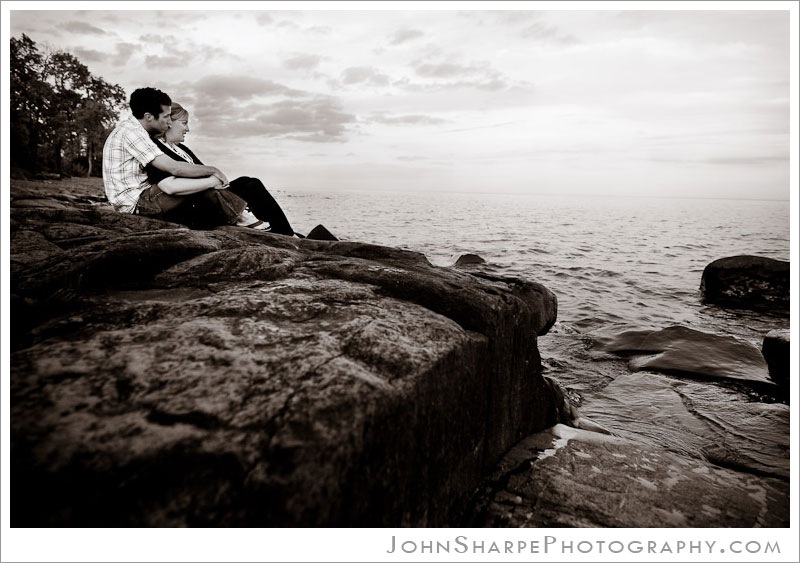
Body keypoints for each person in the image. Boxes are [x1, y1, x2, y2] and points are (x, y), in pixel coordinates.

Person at [145, 102, 297, 235]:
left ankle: (284, 232)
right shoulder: (157, 150)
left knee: (250, 183)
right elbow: (168, 185)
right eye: (184, 123)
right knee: (240, 188)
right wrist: (212, 180)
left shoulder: (182, 149)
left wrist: (215, 179)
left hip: (207, 195)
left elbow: (203, 172)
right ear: (169, 123)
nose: (188, 129)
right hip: (190, 204)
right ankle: (270, 229)